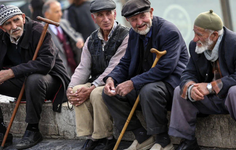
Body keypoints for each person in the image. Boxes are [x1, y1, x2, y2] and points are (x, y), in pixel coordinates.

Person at [102, 0, 189, 149]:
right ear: (128, 21)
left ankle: (163, 141)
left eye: (143, 16)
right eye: (134, 20)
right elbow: (125, 62)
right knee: (111, 93)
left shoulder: (169, 32)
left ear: (152, 12)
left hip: (171, 84)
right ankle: (142, 136)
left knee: (149, 90)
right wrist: (112, 78)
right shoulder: (133, 33)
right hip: (146, 83)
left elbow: (165, 68)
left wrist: (133, 83)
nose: (139, 22)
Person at [168, 10, 236, 150]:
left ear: (214, 35)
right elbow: (188, 72)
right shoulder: (195, 46)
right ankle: (187, 142)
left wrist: (211, 87)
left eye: (199, 34)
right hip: (209, 100)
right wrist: (192, 87)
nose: (194, 39)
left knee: (235, 91)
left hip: (232, 100)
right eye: (194, 33)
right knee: (180, 90)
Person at [0, 4, 70, 149]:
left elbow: (45, 64)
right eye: (8, 23)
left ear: (24, 18)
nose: (14, 26)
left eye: (16, 20)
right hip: (22, 81)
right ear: (2, 28)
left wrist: (11, 72)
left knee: (34, 79)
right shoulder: (2, 37)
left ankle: (33, 130)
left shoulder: (38, 30)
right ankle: (1, 132)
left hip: (50, 80)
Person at [66, 0, 129, 149]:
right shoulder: (91, 39)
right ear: (94, 19)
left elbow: (115, 66)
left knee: (96, 94)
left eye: (108, 14)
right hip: (97, 81)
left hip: (118, 81)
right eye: (100, 15)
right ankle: (91, 137)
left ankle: (106, 136)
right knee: (76, 91)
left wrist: (93, 86)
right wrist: (70, 88)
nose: (105, 19)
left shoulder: (126, 35)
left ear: (115, 14)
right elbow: (83, 67)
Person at [43, 0, 84, 76]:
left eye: (60, 11)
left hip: (75, 68)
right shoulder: (42, 30)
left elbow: (76, 35)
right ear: (47, 14)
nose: (60, 14)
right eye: (57, 12)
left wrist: (79, 40)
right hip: (60, 72)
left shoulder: (64, 23)